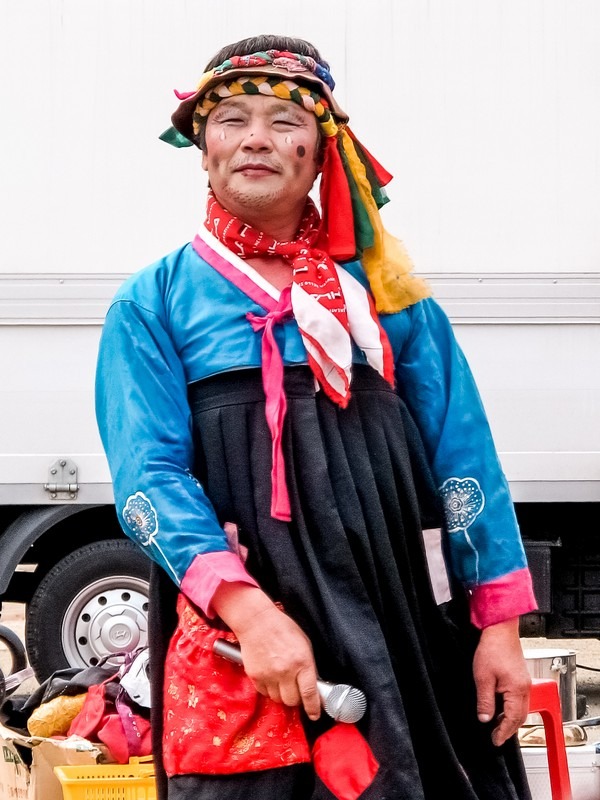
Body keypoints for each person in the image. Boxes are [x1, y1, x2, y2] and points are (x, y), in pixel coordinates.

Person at [95, 34, 538, 800]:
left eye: (283, 119)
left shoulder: (391, 294)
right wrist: (251, 617)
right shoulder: (153, 302)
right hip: (250, 628)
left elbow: (464, 460)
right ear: (202, 149)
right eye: (231, 119)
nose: (256, 138)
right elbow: (150, 479)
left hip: (406, 616)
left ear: (323, 148)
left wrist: (497, 626)